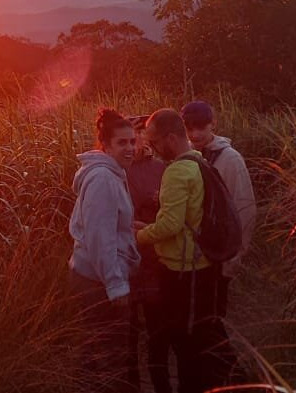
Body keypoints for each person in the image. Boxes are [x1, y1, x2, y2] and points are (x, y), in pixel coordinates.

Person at [136, 109, 234, 393]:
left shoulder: (177, 170)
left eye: (154, 142)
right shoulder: (198, 161)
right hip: (203, 263)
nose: (151, 149)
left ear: (170, 138)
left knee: (185, 341)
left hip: (182, 272)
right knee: (199, 337)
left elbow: (170, 224)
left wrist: (139, 236)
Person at [68, 108, 141, 393]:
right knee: (111, 356)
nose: (130, 148)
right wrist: (116, 284)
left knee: (95, 350)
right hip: (98, 280)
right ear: (106, 146)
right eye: (122, 143)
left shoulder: (112, 173)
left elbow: (110, 226)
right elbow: (101, 238)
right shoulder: (103, 179)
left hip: (92, 275)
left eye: (133, 142)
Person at [181, 100, 257, 319]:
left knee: (214, 316)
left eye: (200, 127)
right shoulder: (183, 157)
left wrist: (235, 254)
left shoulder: (230, 159)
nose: (195, 134)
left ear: (213, 123)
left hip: (219, 253)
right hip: (191, 255)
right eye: (189, 128)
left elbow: (245, 208)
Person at [125, 114, 170, 393]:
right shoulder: (116, 170)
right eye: (129, 139)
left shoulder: (162, 168)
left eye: (139, 136)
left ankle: (162, 385)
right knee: (128, 338)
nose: (136, 144)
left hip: (155, 261)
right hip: (127, 263)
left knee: (158, 336)